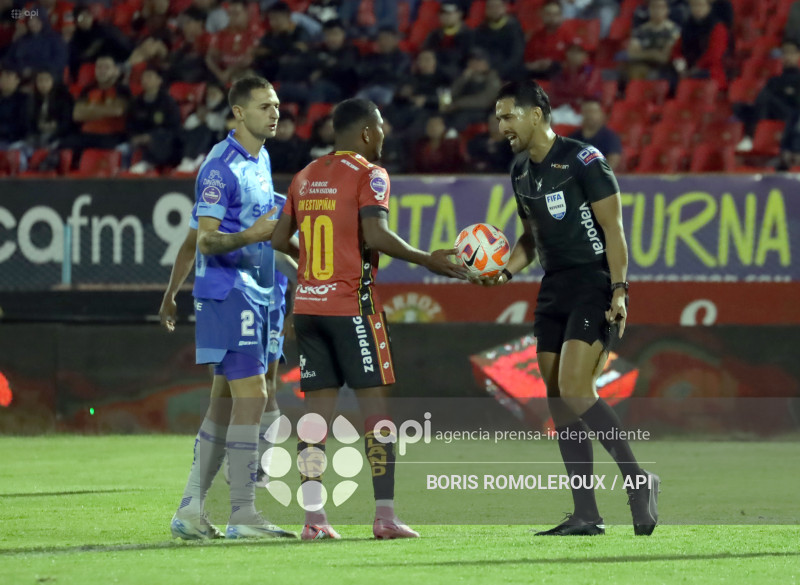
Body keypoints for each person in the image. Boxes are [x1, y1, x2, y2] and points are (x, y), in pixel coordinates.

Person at [271, 98, 467, 540]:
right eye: (380, 127)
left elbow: (279, 239)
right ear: (365, 132)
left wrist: (315, 268)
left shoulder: (304, 176)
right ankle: (384, 516)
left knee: (314, 419)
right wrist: (425, 259)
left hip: (308, 309)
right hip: (352, 309)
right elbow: (375, 234)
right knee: (376, 415)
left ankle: (314, 520)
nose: (384, 135)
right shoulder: (369, 175)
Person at [482, 80, 659, 536]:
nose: (501, 126)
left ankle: (638, 479)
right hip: (554, 288)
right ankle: (586, 513)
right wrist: (504, 271)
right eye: (499, 118)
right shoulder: (519, 169)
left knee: (576, 388)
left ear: (535, 115)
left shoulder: (585, 160)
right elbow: (529, 238)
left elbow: (613, 228)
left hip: (593, 283)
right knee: (559, 400)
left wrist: (619, 289)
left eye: (507, 116)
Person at [168, 75, 297, 541]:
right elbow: (204, 239)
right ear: (239, 113)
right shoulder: (219, 167)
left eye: (277, 105)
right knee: (255, 398)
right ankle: (243, 512)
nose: (275, 112)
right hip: (229, 291)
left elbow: (267, 227)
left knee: (225, 403)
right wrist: (250, 236)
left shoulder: (261, 158)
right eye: (265, 106)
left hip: (256, 289)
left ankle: (190, 510)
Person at [569, 99, 622, 170]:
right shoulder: (573, 137)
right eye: (586, 112)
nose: (590, 115)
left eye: (593, 111)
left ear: (601, 114)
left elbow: (612, 162)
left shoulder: (610, 137)